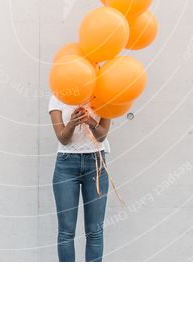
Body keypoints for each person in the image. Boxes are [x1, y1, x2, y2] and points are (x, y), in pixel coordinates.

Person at [48, 93, 111, 262]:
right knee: (66, 232)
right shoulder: (58, 96)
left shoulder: (105, 93)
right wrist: (72, 123)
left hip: (96, 164)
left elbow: (102, 136)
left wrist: (90, 121)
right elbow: (63, 138)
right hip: (66, 165)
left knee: (94, 231)